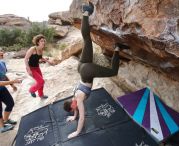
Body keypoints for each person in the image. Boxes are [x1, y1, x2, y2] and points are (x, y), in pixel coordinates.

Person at [63, 2, 129, 139]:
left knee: (113, 71)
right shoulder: (74, 96)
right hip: (81, 67)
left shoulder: (79, 99)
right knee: (87, 40)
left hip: (87, 71)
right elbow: (75, 110)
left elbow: (82, 118)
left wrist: (76, 132)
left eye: (73, 109)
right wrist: (72, 117)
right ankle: (86, 12)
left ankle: (117, 48)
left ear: (73, 104)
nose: (75, 110)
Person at [24, 34, 53, 99]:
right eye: (41, 41)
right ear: (37, 42)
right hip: (31, 68)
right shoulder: (33, 49)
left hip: (37, 67)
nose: (43, 42)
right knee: (41, 81)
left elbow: (40, 58)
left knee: (41, 82)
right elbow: (25, 59)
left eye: (44, 41)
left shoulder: (41, 49)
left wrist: (48, 61)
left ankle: (41, 95)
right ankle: (31, 90)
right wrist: (28, 70)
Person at [0, 50, 21, 133]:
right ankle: (2, 127)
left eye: (1, 51)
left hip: (2, 88)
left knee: (10, 103)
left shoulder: (2, 63)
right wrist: (13, 82)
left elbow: (3, 76)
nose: (1, 53)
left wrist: (12, 85)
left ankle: (6, 120)